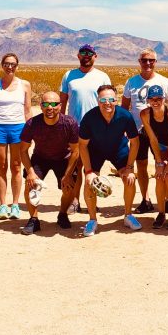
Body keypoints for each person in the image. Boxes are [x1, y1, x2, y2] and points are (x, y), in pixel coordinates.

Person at [78, 85, 141, 237]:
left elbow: (135, 142)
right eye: (103, 100)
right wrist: (88, 172)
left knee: (130, 178)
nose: (107, 103)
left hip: (118, 149)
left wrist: (130, 167)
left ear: (116, 100)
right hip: (95, 150)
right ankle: (92, 220)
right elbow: (82, 145)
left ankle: (128, 215)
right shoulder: (89, 117)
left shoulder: (124, 115)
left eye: (111, 99)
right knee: (89, 182)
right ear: (98, 101)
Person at [122, 48, 168, 214]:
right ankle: (145, 199)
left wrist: (165, 123)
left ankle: (166, 199)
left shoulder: (164, 81)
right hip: (137, 132)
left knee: (162, 163)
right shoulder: (131, 82)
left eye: (151, 60)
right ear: (139, 62)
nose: (148, 63)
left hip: (159, 133)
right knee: (141, 164)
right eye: (144, 60)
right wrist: (125, 128)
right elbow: (124, 107)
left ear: (155, 62)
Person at [59, 44, 111, 215]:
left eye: (90, 53)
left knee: (93, 167)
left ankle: (91, 200)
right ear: (78, 55)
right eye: (83, 53)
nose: (86, 56)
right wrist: (61, 123)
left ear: (95, 56)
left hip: (97, 127)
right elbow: (63, 101)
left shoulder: (102, 77)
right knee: (76, 165)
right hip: (74, 126)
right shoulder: (69, 76)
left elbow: (108, 102)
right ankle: (75, 201)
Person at [19, 91, 79, 235]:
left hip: (63, 158)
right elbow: (23, 151)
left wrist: (68, 174)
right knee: (30, 186)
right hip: (41, 158)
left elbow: (76, 151)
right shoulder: (32, 123)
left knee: (69, 186)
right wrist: (31, 173)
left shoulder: (69, 123)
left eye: (54, 104)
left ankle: (62, 214)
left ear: (60, 106)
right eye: (46, 104)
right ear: (40, 106)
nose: (50, 108)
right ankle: (34, 219)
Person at [0, 53, 32, 221]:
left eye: (13, 64)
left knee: (17, 166)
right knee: (2, 166)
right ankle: (3, 205)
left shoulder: (24, 85)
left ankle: (15, 204)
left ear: (17, 66)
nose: (9, 66)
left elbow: (27, 110)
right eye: (6, 63)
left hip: (18, 128)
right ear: (2, 65)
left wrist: (30, 131)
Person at [140, 85, 168, 229]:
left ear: (164, 99)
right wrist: (159, 163)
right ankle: (161, 212)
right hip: (160, 145)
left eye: (158, 98)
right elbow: (152, 139)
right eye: (152, 99)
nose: (155, 102)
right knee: (160, 177)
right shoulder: (145, 114)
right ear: (148, 100)